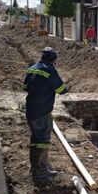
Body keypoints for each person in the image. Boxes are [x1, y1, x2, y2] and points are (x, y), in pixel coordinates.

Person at [22, 47, 68, 181]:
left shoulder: (32, 68)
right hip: (42, 111)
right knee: (43, 140)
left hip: (30, 109)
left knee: (35, 139)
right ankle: (41, 172)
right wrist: (65, 88)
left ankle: (34, 167)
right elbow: (61, 90)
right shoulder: (49, 70)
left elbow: (24, 87)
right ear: (53, 59)